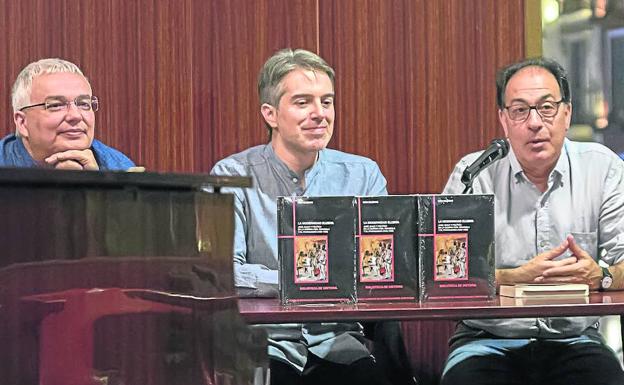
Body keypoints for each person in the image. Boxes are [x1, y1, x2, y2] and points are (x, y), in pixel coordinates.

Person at [211, 48, 414, 385]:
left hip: (340, 341)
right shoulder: (232, 176)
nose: (320, 114)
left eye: (327, 101)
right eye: (303, 102)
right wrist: (299, 283)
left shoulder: (362, 175)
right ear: (270, 114)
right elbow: (220, 272)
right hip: (264, 344)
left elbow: (383, 267)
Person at [440, 57, 624, 385]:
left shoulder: (604, 169)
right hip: (486, 341)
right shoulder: (474, 173)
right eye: (520, 110)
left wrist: (601, 276)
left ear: (567, 114)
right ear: (503, 119)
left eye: (547, 107)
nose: (535, 122)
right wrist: (512, 278)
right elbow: (442, 275)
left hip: (575, 340)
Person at [2, 58, 134, 170]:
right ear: (22, 123)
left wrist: (96, 185)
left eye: (84, 104)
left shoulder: (119, 168)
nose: (75, 116)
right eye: (56, 105)